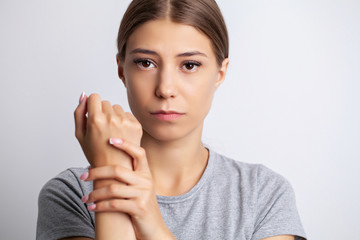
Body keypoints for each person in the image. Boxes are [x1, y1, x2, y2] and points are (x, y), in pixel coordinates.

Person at [36, 0, 307, 239]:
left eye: (189, 65)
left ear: (220, 73)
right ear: (121, 69)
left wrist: (152, 225)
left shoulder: (263, 195)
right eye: (146, 63)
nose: (165, 88)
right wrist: (114, 179)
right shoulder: (71, 194)